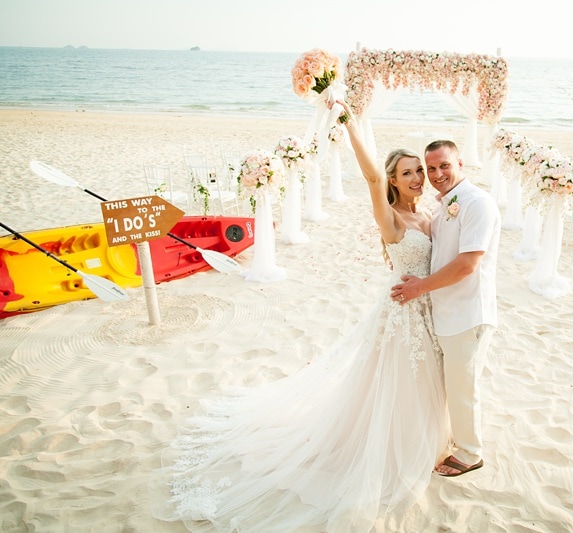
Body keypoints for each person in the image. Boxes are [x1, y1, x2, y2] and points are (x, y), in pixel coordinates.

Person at [152, 100, 449, 532]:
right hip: (402, 312)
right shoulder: (391, 216)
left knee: (424, 379)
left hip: (427, 308)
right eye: (407, 173)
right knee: (397, 381)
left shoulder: (431, 211)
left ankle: (429, 442)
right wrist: (349, 125)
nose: (418, 178)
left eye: (419, 170)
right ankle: (394, 451)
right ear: (391, 180)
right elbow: (368, 175)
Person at [391, 139, 501, 477]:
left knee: (463, 386)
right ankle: (458, 439)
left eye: (444, 166)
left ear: (460, 164)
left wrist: (418, 288)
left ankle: (470, 453)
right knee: (452, 385)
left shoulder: (476, 203)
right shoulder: (445, 204)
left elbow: (468, 264)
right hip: (445, 310)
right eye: (431, 168)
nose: (437, 174)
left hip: (467, 311)